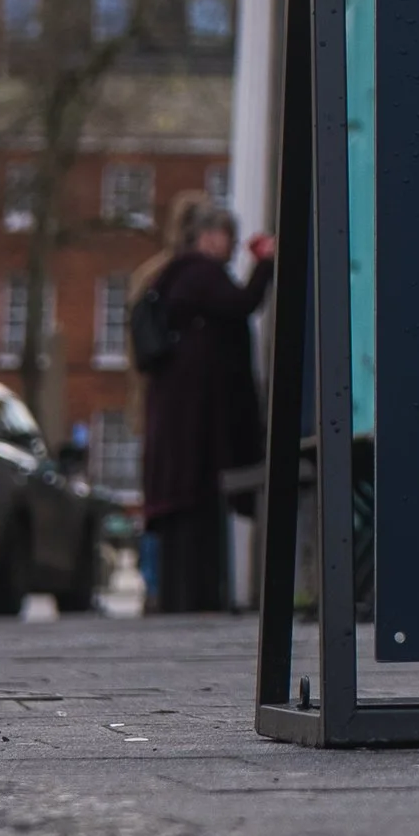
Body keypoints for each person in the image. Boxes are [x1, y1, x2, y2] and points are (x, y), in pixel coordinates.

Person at [139, 193, 275, 614]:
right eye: (228, 237)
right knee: (198, 507)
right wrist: (266, 263)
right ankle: (197, 597)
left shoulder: (173, 276)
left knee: (185, 509)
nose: (231, 247)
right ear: (208, 237)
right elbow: (242, 304)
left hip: (178, 417)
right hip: (196, 420)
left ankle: (181, 597)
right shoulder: (200, 273)